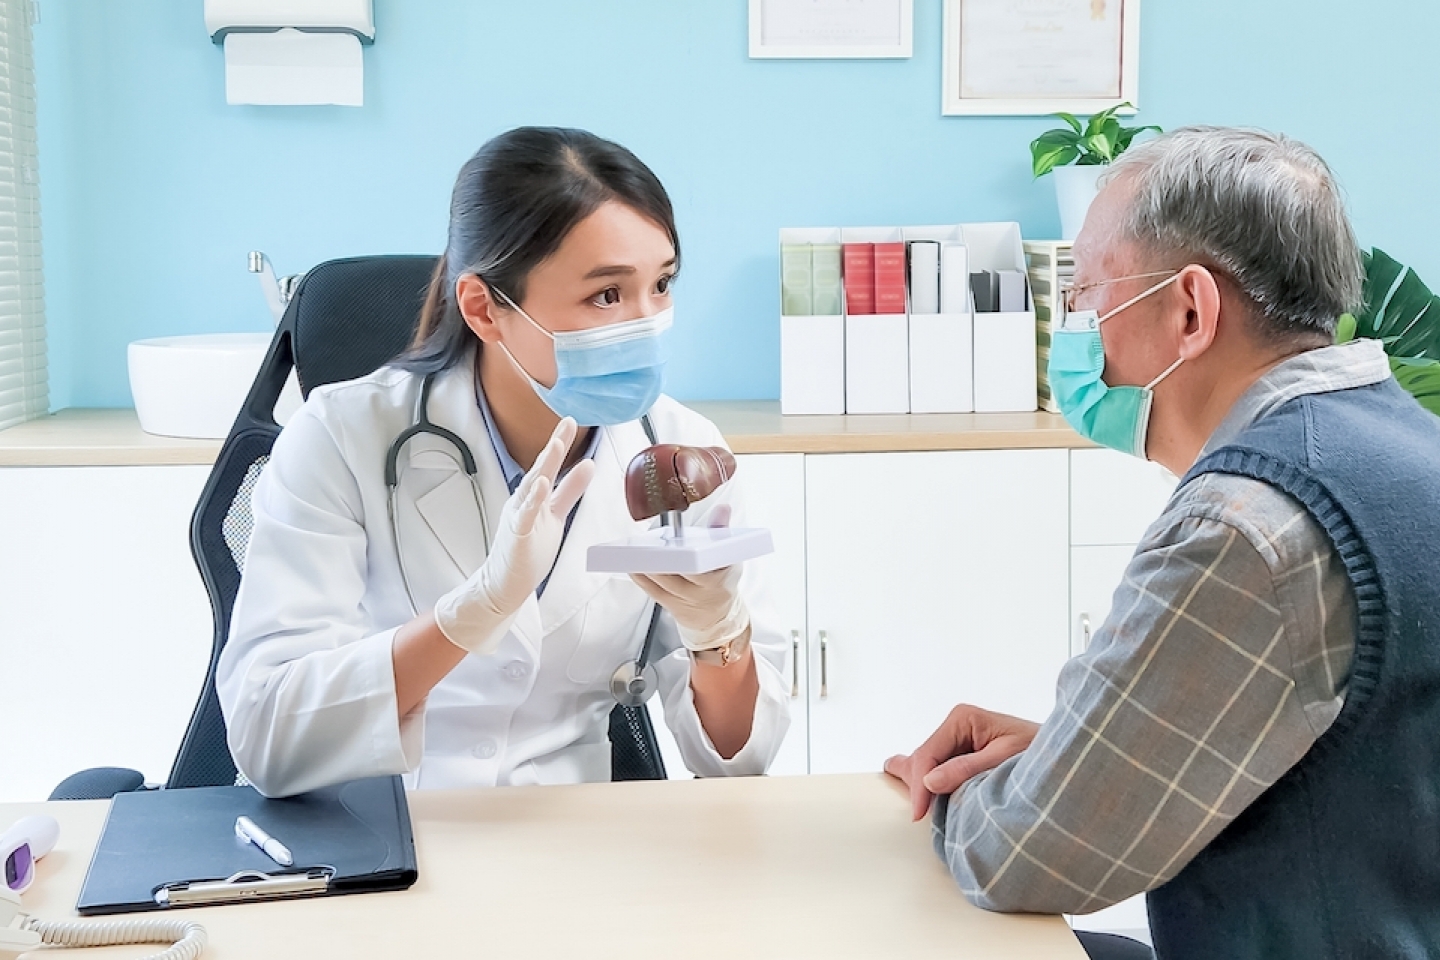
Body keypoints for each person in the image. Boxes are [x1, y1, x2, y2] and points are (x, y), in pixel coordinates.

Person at [886, 126, 1440, 960]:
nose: (1079, 336)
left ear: (1190, 309)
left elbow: (1028, 857)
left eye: (1085, 299)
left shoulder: (1247, 524)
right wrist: (1071, 750)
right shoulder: (1407, 444)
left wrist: (984, 792)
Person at [217, 126, 790, 798]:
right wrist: (471, 614)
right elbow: (266, 736)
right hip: (386, 829)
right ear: (485, 308)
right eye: (607, 295)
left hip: (572, 840)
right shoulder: (342, 438)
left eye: (661, 285)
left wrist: (717, 633)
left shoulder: (677, 449)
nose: (647, 322)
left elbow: (736, 764)